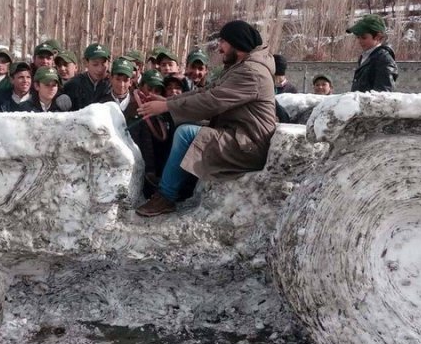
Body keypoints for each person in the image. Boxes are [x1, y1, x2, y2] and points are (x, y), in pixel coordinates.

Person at [136, 20, 277, 217]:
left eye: (223, 42)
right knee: (188, 125)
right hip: (241, 137)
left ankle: (166, 196)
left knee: (186, 133)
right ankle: (175, 186)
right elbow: (208, 91)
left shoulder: (251, 72)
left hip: (248, 145)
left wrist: (167, 106)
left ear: (236, 43)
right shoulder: (242, 67)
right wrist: (169, 101)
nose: (220, 48)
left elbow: (212, 101)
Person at [346, 14, 398, 92]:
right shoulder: (366, 57)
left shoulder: (383, 60)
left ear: (378, 37)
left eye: (364, 37)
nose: (360, 41)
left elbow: (383, 94)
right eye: (358, 37)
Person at [62, 43, 111, 111]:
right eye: (95, 64)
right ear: (86, 63)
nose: (100, 69)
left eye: (103, 64)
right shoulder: (74, 85)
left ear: (108, 63)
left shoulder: (113, 84)